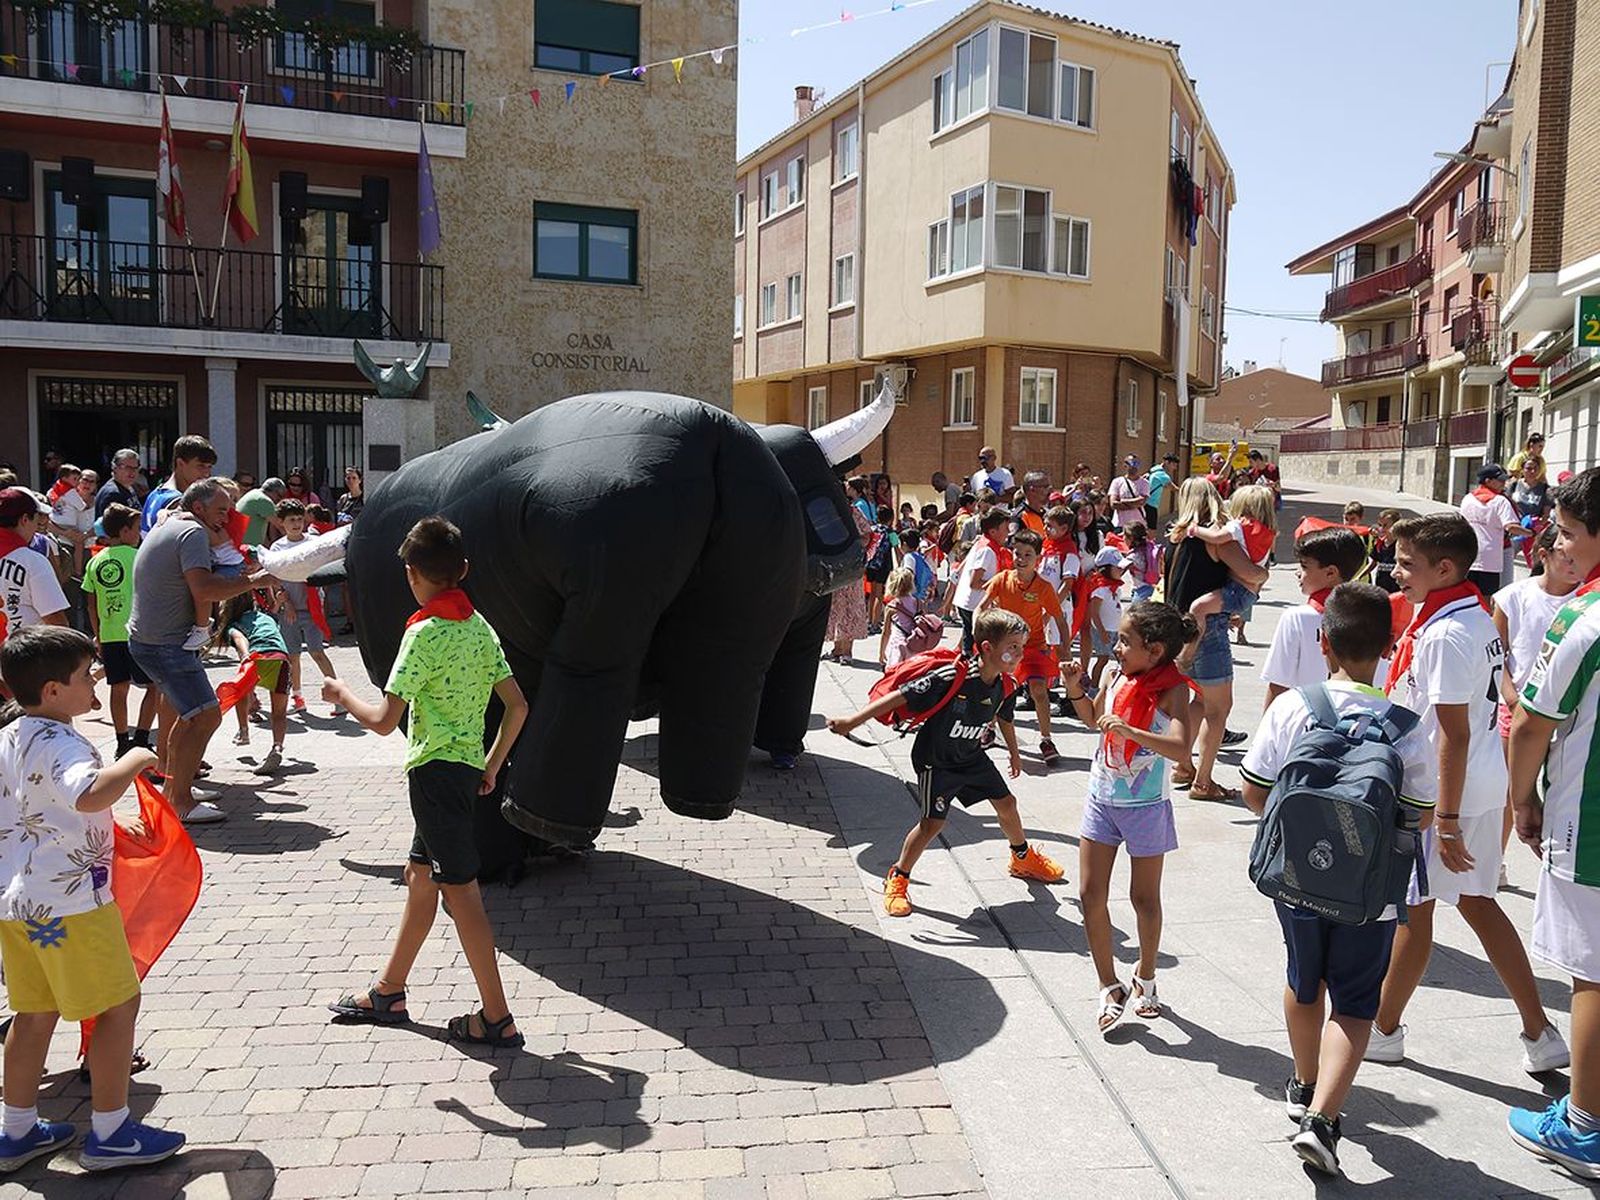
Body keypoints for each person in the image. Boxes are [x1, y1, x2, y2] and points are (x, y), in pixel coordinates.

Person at [1240, 583, 1436, 1175]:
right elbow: (1419, 815)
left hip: (1297, 877)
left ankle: (1303, 1084)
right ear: (1389, 647)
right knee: (1353, 1001)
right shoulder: (1407, 726)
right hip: (1369, 893)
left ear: (1322, 641)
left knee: (1304, 982)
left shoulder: (1292, 708)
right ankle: (1323, 1120)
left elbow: (1254, 790)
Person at [1368, 513, 1568, 1073]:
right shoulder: (1470, 614)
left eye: (1407, 564)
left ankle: (1382, 1029)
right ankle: (1540, 1032)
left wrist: (1446, 820)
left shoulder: (1446, 632)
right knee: (1477, 902)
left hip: (1442, 795)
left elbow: (1451, 733)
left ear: (1445, 568)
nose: (1397, 572)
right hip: (1476, 782)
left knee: (1415, 909)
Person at [324, 517, 529, 1047]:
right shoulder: (480, 627)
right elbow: (517, 706)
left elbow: (383, 720)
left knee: (462, 895)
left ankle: (497, 1017)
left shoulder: (422, 633)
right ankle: (388, 991)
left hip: (434, 776)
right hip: (462, 773)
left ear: (412, 574)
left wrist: (341, 695)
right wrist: (491, 764)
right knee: (420, 877)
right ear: (463, 569)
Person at [0, 626, 186, 1172]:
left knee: (32, 1013)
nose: (96, 681)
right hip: (73, 904)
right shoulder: (62, 742)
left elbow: (42, 809)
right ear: (53, 690)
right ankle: (111, 1132)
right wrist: (135, 760)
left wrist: (111, 827)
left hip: (19, 902)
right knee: (117, 1006)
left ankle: (16, 1130)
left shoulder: (10, 735)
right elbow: (87, 793)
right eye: (87, 675)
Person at [827, 608, 1065, 918]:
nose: (1020, 653)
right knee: (932, 824)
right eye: (1013, 646)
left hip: (971, 757)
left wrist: (1014, 752)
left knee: (1007, 804)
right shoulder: (954, 676)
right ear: (987, 647)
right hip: (936, 761)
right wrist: (852, 721)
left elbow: (1004, 716)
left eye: (1021, 646)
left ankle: (1022, 859)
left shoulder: (1005, 683)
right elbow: (900, 696)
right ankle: (898, 877)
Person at [1507, 467, 1600, 1176]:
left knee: (1592, 972)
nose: (1556, 544)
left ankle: (1584, 1127)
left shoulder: (1584, 617)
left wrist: (1522, 800)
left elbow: (1531, 723)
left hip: (1589, 823)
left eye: (1568, 532)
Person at [1061, 601, 1195, 1034]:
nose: (1116, 648)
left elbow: (1181, 749)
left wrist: (1131, 731)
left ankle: (1146, 976)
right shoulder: (1114, 675)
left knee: (1144, 899)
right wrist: (1075, 690)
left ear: (1154, 650)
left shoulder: (1173, 689)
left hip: (1146, 808)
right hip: (1101, 799)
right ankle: (1109, 985)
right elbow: (1093, 720)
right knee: (1089, 894)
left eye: (1124, 641)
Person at [128, 479, 270, 824]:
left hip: (155, 640)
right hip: (166, 644)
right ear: (198, 508)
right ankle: (180, 801)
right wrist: (256, 581)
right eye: (222, 510)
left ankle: (177, 790)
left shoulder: (174, 523)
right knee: (206, 716)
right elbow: (205, 589)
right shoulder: (192, 533)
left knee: (191, 716)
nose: (227, 517)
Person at [1161, 478, 1267, 802]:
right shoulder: (1215, 538)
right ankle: (1203, 783)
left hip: (1178, 629)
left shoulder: (1174, 538)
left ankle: (1183, 766)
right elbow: (1251, 573)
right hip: (1208, 631)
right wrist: (1263, 576)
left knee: (1200, 702)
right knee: (1219, 709)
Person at [1493, 526, 1579, 855]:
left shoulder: (1587, 600)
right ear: (1544, 555)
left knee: (1561, 787)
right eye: (1565, 556)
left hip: (1567, 711)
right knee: (1511, 792)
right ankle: (1496, 863)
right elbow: (1496, 657)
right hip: (1517, 709)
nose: (1573, 564)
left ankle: (1552, 857)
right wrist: (1512, 699)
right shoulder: (1513, 597)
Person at [980, 529, 1067, 766]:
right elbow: (982, 607)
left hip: (1034, 647)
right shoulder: (1001, 580)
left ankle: (1046, 740)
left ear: (1038, 557)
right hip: (1005, 648)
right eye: (1017, 553)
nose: (1021, 558)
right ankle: (990, 728)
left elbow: (1060, 620)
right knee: (1001, 692)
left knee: (1039, 691)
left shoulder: (1044, 588)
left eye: (1028, 554)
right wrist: (978, 633)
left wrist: (1066, 652)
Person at [82, 504, 161, 759]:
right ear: (125, 531)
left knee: (118, 687)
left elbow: (91, 603)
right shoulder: (140, 557)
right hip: (139, 633)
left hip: (110, 635)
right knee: (154, 686)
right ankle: (142, 737)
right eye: (137, 528)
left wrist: (98, 634)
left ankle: (121, 741)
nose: (139, 534)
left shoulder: (95, 561)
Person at [1260, 527, 1367, 710]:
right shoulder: (1367, 618)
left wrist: (1266, 726)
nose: (1298, 572)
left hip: (1304, 718)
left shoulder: (1297, 617)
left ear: (1330, 573)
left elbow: (1279, 684)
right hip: (1353, 720)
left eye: (1304, 566)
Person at [1176, 483, 1276, 651]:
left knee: (1197, 608)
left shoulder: (1238, 526)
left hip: (1236, 590)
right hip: (1247, 593)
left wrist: (1195, 530)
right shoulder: (1264, 532)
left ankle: (1190, 650)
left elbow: (1216, 537)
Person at [268, 500, 341, 714]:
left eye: (300, 519)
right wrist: (286, 603)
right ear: (281, 522)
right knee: (293, 656)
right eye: (291, 520)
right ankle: (297, 698)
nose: (296, 523)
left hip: (311, 607)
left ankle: (338, 696)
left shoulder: (313, 542)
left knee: (317, 652)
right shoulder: (278, 547)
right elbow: (276, 578)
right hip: (289, 610)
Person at [213, 591, 291, 774]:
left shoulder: (233, 625)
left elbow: (240, 638)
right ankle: (277, 747)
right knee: (279, 713)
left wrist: (245, 656)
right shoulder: (266, 617)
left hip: (257, 656)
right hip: (281, 659)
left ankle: (244, 731)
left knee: (239, 690)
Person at [0, 489, 70, 633]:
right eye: (36, 520)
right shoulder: (33, 561)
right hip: (23, 645)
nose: (36, 528)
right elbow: (57, 624)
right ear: (25, 519)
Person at [1459, 464, 1523, 596]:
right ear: (1487, 481)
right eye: (1500, 480)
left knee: (1469, 596)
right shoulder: (1500, 501)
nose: (1504, 483)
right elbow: (1511, 526)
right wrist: (1532, 533)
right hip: (1492, 558)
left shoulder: (1467, 498)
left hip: (1470, 556)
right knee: (1491, 597)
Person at [952, 510, 1009, 656]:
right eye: (1005, 528)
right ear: (993, 531)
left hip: (969, 602)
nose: (1008, 532)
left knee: (971, 643)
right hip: (973, 604)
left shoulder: (982, 543)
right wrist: (999, 584)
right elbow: (974, 582)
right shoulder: (987, 551)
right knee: (975, 646)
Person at [826, 488, 872, 663]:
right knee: (836, 608)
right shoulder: (831, 514)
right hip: (836, 567)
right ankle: (837, 649)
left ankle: (847, 652)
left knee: (850, 608)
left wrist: (854, 546)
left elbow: (868, 534)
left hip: (852, 567)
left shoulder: (855, 513)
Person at [140, 436, 216, 534]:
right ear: (180, 463)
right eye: (200, 466)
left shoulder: (155, 494)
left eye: (209, 467)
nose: (207, 473)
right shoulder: (177, 503)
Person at [878, 566, 919, 669]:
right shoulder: (918, 603)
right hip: (915, 645)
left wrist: (881, 652)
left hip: (897, 645)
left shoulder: (891, 607)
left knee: (895, 673)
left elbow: (886, 632)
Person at [234, 477, 286, 548]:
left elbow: (260, 532)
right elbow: (282, 527)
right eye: (280, 496)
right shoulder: (264, 501)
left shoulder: (254, 493)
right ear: (275, 492)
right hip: (247, 548)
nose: (278, 500)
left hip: (240, 544)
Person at [94, 449, 141, 519]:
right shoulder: (113, 494)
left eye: (135, 468)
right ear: (115, 468)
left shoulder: (129, 488)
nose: (132, 471)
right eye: (127, 467)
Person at [1108, 456, 1151, 530]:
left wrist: (1123, 501)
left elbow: (1142, 501)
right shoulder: (1117, 481)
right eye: (1132, 463)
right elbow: (1113, 504)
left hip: (1138, 524)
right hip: (1120, 524)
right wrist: (1134, 505)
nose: (1135, 466)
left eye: (1137, 463)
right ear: (1125, 465)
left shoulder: (1145, 483)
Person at [1510, 456, 1553, 528]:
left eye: (1535, 468)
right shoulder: (1513, 485)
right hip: (1515, 526)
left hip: (1533, 528)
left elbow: (1546, 514)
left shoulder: (1545, 489)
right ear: (1522, 470)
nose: (1533, 471)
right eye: (1529, 468)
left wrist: (1537, 526)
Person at [1370, 509, 1401, 594]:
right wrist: (1360, 576)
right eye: (1380, 525)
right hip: (1381, 587)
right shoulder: (1379, 544)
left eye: (1385, 525)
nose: (1382, 528)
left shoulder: (1401, 545)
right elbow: (1373, 563)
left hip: (1397, 588)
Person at [1011, 472, 1050, 536]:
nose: (1050, 490)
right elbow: (1013, 540)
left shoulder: (1048, 513)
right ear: (1032, 490)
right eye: (1045, 487)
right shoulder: (1019, 516)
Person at [1146, 454, 1178, 527]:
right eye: (1173, 465)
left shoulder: (1154, 469)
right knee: (1151, 529)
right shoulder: (1162, 475)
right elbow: (1173, 488)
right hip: (1151, 505)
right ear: (1167, 462)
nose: (1175, 468)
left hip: (1145, 502)